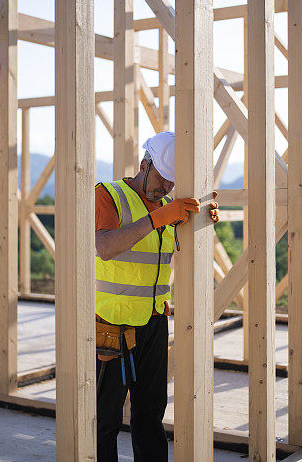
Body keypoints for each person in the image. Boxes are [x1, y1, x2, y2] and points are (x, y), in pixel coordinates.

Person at [94, 131, 219, 461]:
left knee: (150, 414)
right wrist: (157, 218)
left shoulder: (168, 207)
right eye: (163, 179)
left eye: (172, 184)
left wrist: (202, 221)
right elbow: (105, 247)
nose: (166, 189)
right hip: (112, 323)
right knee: (103, 418)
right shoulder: (108, 195)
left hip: (152, 323)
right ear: (144, 165)